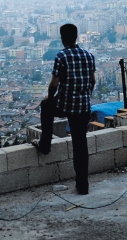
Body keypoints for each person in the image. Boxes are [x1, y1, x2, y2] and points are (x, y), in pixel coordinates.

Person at [35, 23, 96, 194]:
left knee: (46, 107)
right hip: (83, 107)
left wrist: (50, 97)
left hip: (65, 105)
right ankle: (83, 186)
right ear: (76, 37)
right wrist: (86, 95)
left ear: (62, 39)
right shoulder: (88, 56)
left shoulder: (61, 56)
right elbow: (93, 81)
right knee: (80, 144)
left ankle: (45, 145)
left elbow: (53, 84)